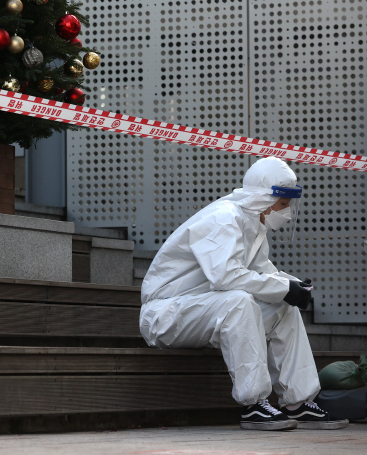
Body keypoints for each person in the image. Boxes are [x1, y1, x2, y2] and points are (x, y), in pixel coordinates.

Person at [139, 157, 349, 431]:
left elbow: (261, 272)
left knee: (282, 306)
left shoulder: (252, 225)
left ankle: (297, 403)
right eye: (283, 204)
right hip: (164, 315)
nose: (286, 212)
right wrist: (284, 288)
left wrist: (292, 285)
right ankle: (253, 405)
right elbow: (226, 276)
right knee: (239, 301)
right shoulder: (224, 218)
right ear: (263, 199)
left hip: (203, 308)